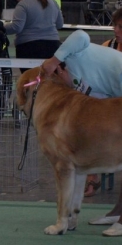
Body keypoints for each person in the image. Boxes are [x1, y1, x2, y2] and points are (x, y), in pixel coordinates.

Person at [41, 22, 122, 205]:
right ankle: (117, 216)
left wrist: (53, 61)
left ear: (60, 69)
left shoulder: (72, 55)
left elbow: (80, 35)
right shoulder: (79, 87)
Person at [5, 0, 63, 68]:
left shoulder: (23, 4)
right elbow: (60, 24)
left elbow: (16, 27)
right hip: (53, 45)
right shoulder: (53, 2)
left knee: (30, 80)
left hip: (29, 47)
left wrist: (0, 27)